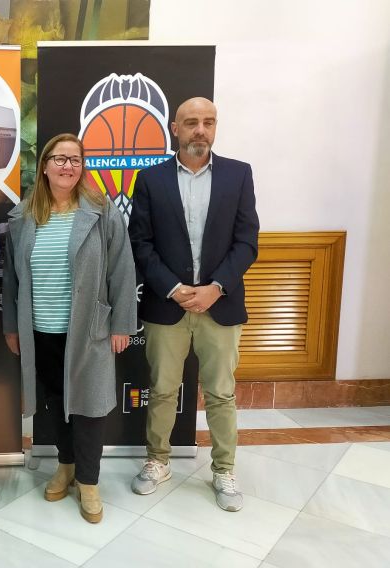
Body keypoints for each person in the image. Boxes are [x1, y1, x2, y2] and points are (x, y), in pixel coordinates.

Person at [128, 97, 259, 512]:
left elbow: (247, 241)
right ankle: (158, 461)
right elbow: (140, 243)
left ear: (215, 126)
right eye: (191, 123)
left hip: (220, 306)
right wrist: (173, 287)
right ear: (175, 128)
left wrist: (216, 287)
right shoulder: (151, 180)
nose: (200, 130)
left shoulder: (239, 175)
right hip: (169, 306)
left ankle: (223, 470)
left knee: (220, 393)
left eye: (208, 122)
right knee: (163, 390)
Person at [2, 133, 137, 523]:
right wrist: (13, 328)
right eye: (59, 159)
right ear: (44, 166)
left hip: (89, 330)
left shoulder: (100, 210)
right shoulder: (24, 217)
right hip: (40, 330)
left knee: (89, 407)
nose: (67, 166)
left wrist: (122, 323)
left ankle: (90, 482)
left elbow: (122, 270)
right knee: (57, 403)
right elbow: (11, 279)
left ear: (82, 168)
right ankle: (66, 466)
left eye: (75, 159)